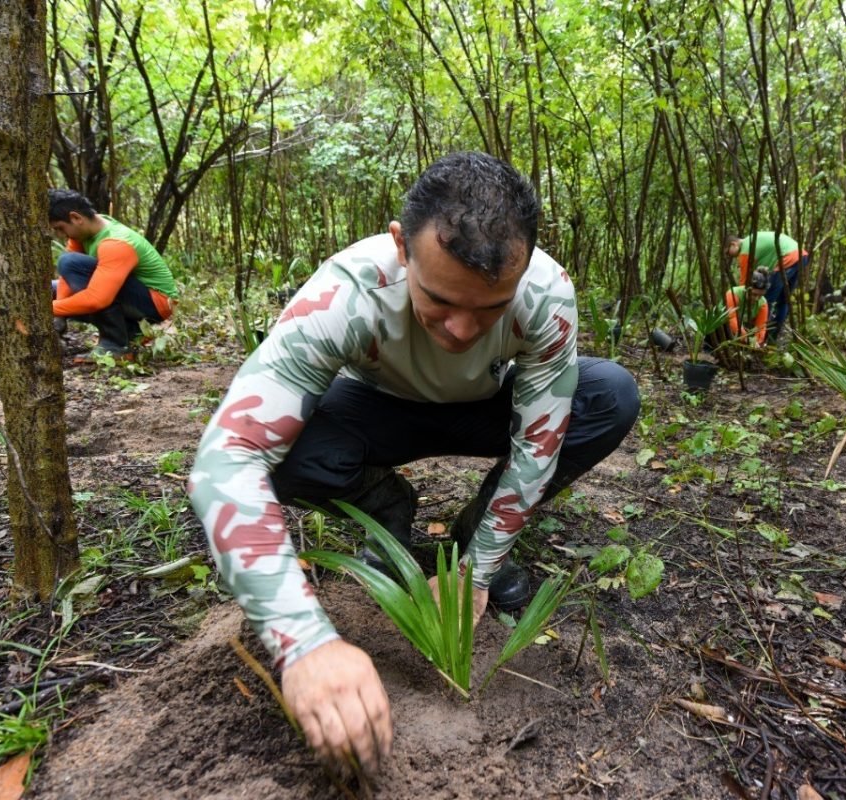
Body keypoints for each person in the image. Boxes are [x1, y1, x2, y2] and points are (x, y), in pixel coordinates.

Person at [187, 152, 639, 774]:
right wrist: (305, 641)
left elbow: (539, 443)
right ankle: (385, 508)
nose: (461, 329)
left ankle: (464, 543)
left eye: (489, 308)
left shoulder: (545, 293)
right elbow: (228, 456)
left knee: (608, 394)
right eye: (440, 299)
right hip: (378, 409)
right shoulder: (346, 292)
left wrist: (478, 570)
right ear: (402, 247)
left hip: (485, 405)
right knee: (287, 446)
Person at [48, 189, 176, 359]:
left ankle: (115, 346)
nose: (59, 235)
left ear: (76, 218)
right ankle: (131, 332)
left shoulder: (116, 242)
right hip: (125, 294)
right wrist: (59, 312)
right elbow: (66, 277)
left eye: (60, 228)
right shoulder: (85, 232)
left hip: (155, 303)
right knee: (50, 289)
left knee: (69, 262)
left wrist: (48, 310)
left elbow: (98, 298)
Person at [724, 231, 808, 342]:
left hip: (787, 257)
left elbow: (744, 284)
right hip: (802, 255)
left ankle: (762, 340)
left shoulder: (745, 250)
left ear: (734, 244)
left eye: (727, 252)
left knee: (764, 300)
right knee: (783, 301)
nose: (728, 256)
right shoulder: (751, 240)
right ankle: (770, 339)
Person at [724, 269, 771, 348]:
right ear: (746, 288)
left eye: (760, 295)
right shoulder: (733, 294)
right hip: (725, 327)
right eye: (754, 294)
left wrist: (757, 342)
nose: (756, 298)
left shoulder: (763, 303)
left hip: (744, 328)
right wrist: (746, 338)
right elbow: (732, 319)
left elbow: (761, 326)